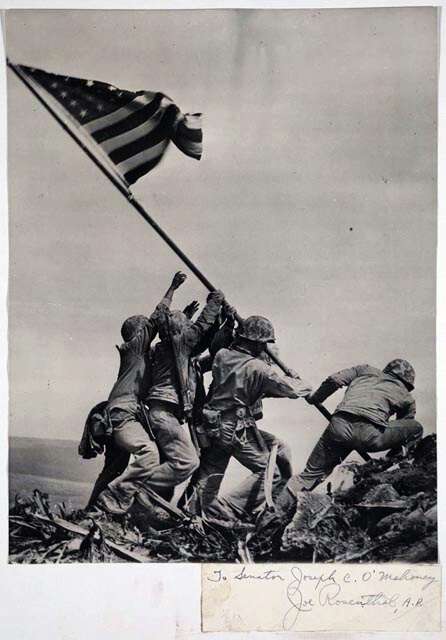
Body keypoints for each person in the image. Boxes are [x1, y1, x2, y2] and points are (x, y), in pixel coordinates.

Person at [261, 358, 424, 525]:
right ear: (407, 382)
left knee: (309, 475)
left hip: (338, 427)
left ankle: (272, 516)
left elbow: (334, 380)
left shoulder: (364, 370)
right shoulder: (407, 397)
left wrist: (316, 398)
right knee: (416, 428)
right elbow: (403, 429)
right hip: (370, 436)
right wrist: (391, 457)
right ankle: (390, 464)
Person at [194, 315, 312, 521]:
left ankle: (196, 512)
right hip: (235, 427)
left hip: (213, 423)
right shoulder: (259, 368)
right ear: (257, 342)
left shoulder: (222, 355)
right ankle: (230, 508)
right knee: (270, 472)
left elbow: (256, 385)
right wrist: (297, 379)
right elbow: (293, 390)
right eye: (264, 343)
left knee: (211, 474)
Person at [93, 271, 187, 514]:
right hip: (123, 414)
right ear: (138, 332)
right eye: (145, 328)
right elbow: (157, 319)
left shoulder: (142, 355)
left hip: (124, 414)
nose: (150, 330)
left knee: (114, 468)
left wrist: (184, 317)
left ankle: (93, 511)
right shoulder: (134, 348)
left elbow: (168, 334)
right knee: (149, 454)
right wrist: (172, 288)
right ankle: (115, 499)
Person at [139, 288, 225, 501]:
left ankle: (150, 508)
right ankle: (135, 488)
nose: (189, 328)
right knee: (188, 461)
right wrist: (215, 301)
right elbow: (202, 327)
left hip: (161, 414)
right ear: (180, 330)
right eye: (186, 325)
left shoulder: (164, 350)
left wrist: (223, 325)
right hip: (164, 414)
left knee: (170, 463)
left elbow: (202, 345)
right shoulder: (180, 344)